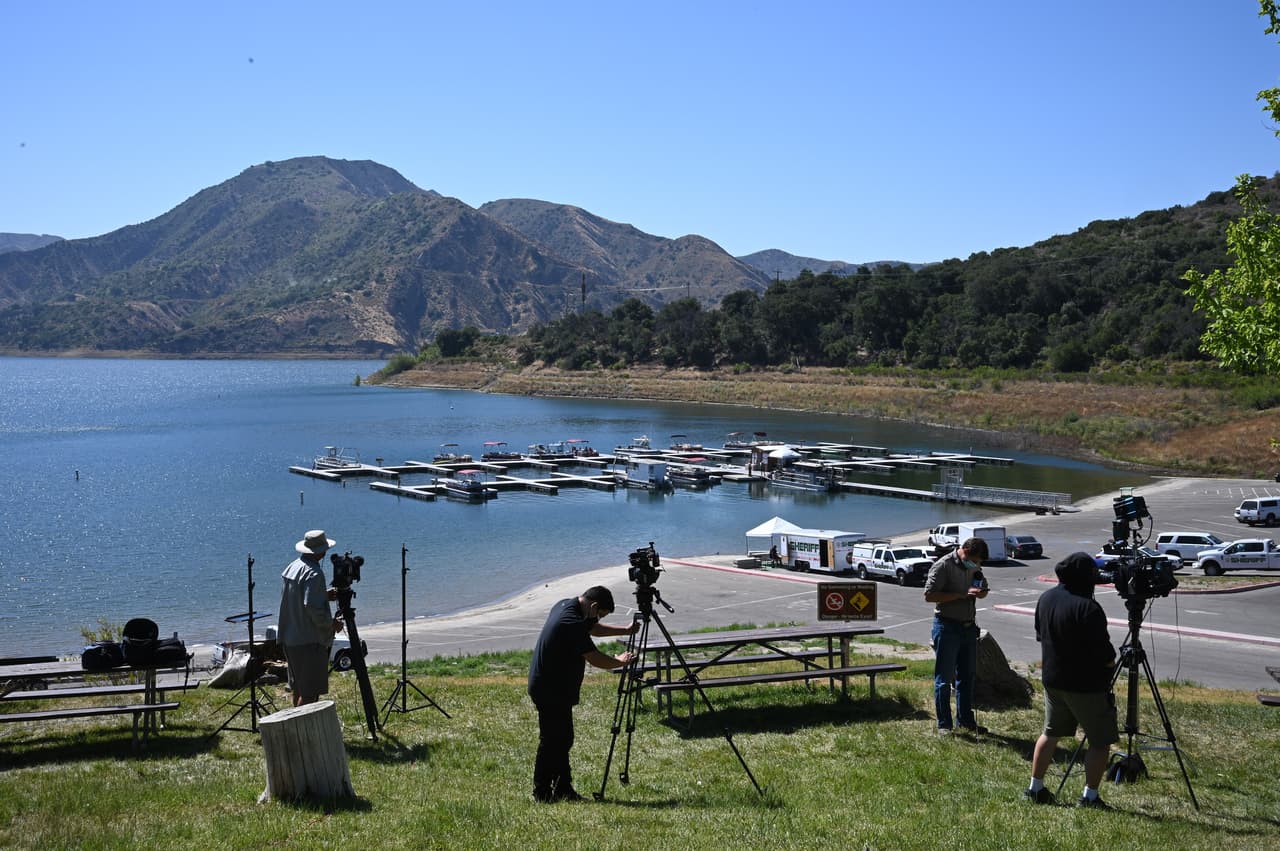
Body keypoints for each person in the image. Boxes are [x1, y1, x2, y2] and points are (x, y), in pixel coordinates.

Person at [527, 585, 638, 802]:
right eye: (600, 614)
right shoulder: (570, 622)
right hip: (549, 688)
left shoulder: (568, 606)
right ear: (594, 605)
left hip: (552, 685)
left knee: (562, 738)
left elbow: (593, 629)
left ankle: (562, 789)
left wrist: (625, 630)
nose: (597, 618)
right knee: (552, 740)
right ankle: (542, 792)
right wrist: (619, 662)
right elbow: (594, 657)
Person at [1025, 551, 1118, 809]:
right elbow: (1104, 652)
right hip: (1085, 685)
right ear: (1085, 577)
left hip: (1053, 680)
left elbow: (1040, 636)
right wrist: (1110, 664)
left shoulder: (1046, 598)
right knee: (1100, 741)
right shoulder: (1088, 607)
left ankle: (1035, 788)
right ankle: (1089, 796)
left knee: (1050, 733)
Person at [923, 536, 989, 733]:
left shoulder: (975, 567)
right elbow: (929, 595)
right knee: (944, 678)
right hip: (947, 626)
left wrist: (980, 593)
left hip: (968, 627)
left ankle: (966, 721)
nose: (977, 565)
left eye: (979, 563)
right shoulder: (943, 566)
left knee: (967, 676)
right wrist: (960, 595)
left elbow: (983, 589)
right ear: (966, 552)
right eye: (975, 560)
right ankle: (944, 724)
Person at [278, 529, 343, 707]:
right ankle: (305, 731)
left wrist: (322, 595)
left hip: (291, 638)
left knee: (299, 688)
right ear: (321, 552)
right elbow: (312, 607)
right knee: (310, 694)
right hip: (309, 641)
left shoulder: (292, 567)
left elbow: (298, 600)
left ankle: (297, 729)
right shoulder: (314, 573)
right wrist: (331, 625)